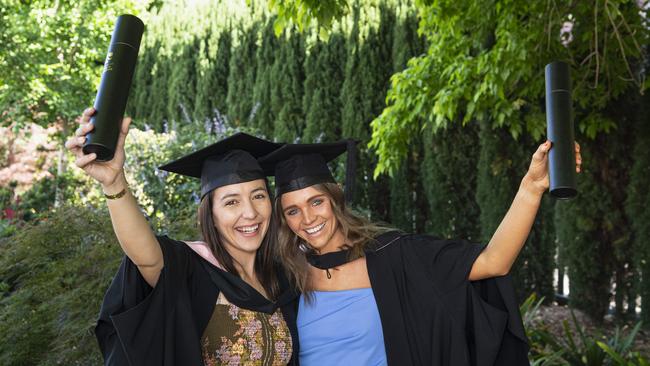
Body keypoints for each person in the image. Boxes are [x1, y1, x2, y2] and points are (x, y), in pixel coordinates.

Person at [259, 140, 582, 366]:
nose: (308, 219)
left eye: (316, 202)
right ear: (284, 220)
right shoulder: (286, 275)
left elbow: (493, 262)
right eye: (293, 211)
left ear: (335, 199)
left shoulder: (395, 256)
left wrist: (531, 187)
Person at [65, 108, 299, 366]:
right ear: (210, 215)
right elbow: (146, 257)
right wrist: (114, 183)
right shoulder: (193, 268)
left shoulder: (282, 277)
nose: (250, 212)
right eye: (231, 202)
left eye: (258, 196)